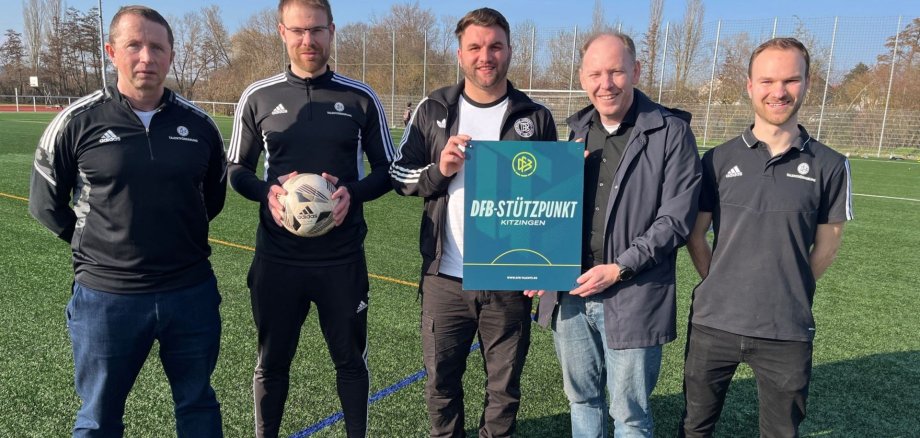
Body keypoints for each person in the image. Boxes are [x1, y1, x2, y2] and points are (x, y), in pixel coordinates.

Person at [28, 5, 226, 437]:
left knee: (198, 405)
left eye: (157, 47)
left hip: (190, 293)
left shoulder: (200, 126)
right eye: (134, 45)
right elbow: (46, 203)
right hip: (106, 298)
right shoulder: (77, 121)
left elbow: (211, 199)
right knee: (98, 418)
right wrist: (98, 245)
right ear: (111, 51)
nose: (146, 57)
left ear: (171, 56)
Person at [226, 0, 395, 436]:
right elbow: (237, 171)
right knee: (272, 361)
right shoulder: (258, 96)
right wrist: (268, 193)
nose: (308, 41)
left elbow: (386, 172)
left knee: (350, 360)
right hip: (278, 260)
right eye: (299, 31)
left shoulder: (360, 98)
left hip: (341, 260)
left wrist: (350, 195)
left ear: (332, 31)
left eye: (317, 30)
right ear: (282, 32)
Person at [389, 8, 557, 437]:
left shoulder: (534, 117)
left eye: (495, 46)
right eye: (476, 47)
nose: (487, 56)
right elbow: (398, 174)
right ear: (460, 54)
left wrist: (544, 263)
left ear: (509, 51)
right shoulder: (433, 109)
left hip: (508, 277)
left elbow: (549, 198)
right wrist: (438, 170)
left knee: (504, 390)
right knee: (441, 385)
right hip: (445, 278)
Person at [679, 37, 853, 437]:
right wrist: (717, 277)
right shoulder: (718, 160)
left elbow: (827, 246)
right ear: (750, 85)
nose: (779, 92)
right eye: (767, 80)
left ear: (808, 83)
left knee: (780, 433)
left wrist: (789, 286)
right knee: (694, 428)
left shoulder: (831, 165)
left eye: (791, 80)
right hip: (714, 323)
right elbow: (695, 235)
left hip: (786, 329)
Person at [531, 32, 702, 437]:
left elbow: (675, 219)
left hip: (633, 294)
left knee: (629, 414)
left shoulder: (670, 132)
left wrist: (621, 268)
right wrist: (534, 263)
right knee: (582, 402)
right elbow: (547, 213)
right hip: (571, 293)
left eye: (615, 72)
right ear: (581, 77)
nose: (604, 84)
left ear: (636, 71)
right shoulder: (574, 133)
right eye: (595, 73)